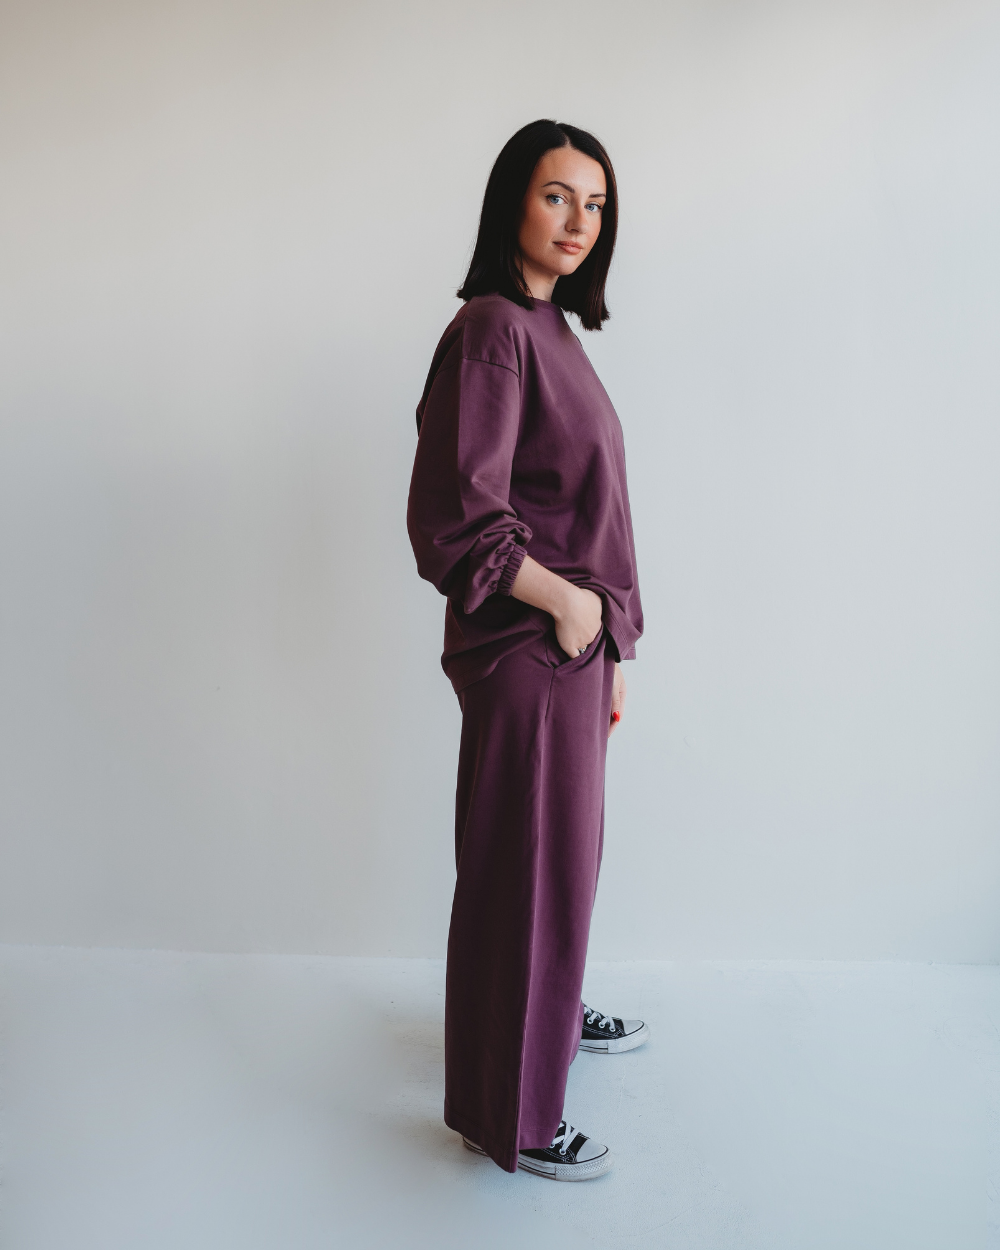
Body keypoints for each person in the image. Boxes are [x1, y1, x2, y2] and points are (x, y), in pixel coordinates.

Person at [407, 119, 645, 1182]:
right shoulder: (493, 329)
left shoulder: (553, 329)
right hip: (530, 643)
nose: (577, 223)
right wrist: (565, 607)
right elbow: (460, 512)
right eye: (557, 197)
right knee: (526, 868)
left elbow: (577, 505)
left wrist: (611, 649)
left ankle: (544, 1011)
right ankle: (515, 1111)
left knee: (563, 861)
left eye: (594, 206)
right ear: (512, 199)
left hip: (571, 647)